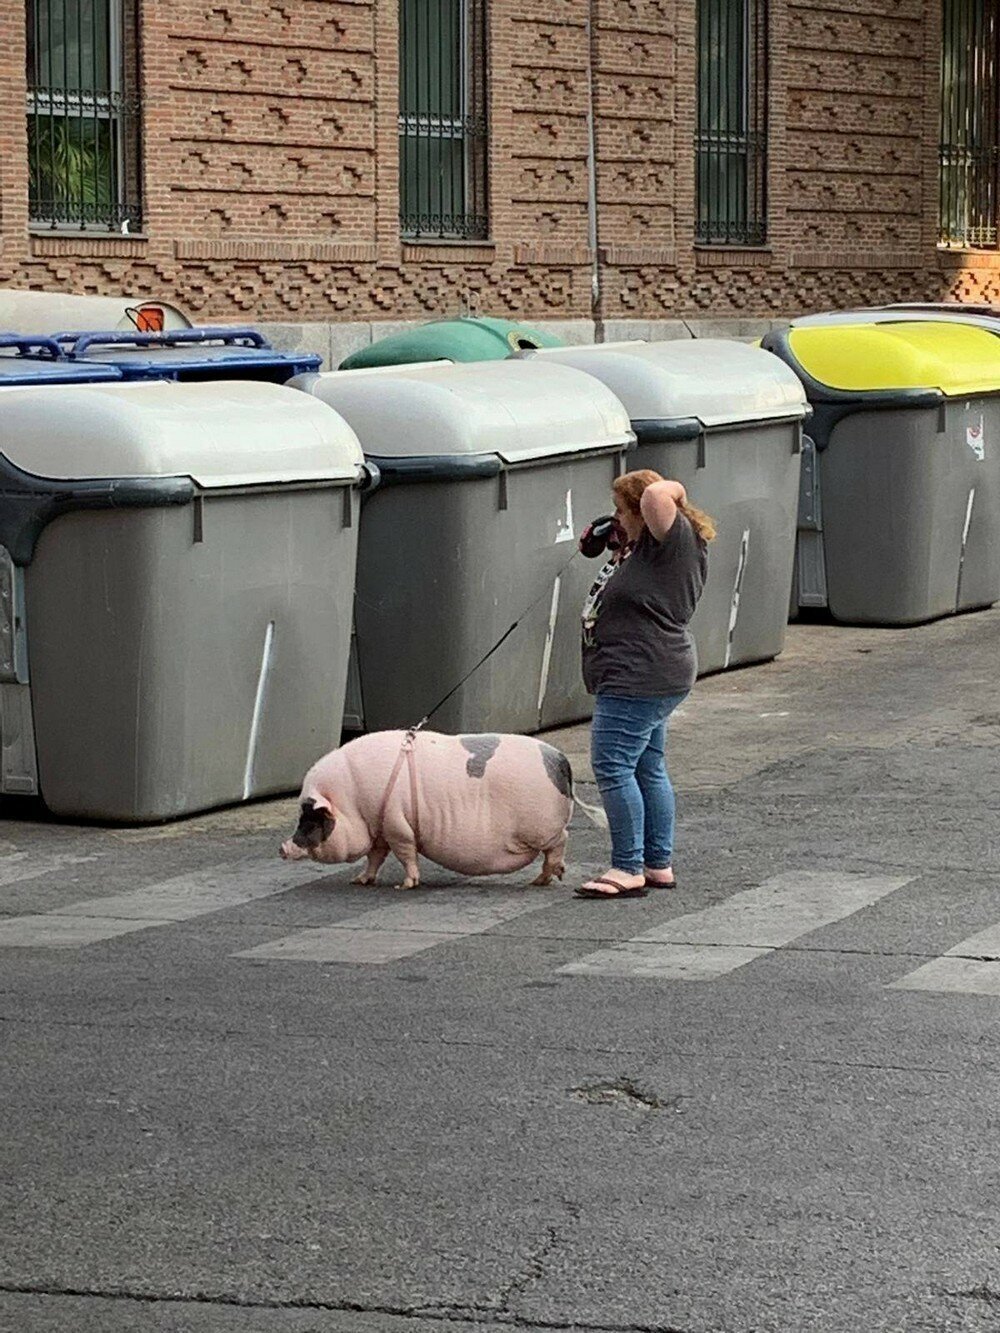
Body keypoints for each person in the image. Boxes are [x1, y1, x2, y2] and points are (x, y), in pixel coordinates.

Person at [575, 469, 715, 899]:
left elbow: (656, 493)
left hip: (640, 673)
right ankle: (657, 864)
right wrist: (612, 539)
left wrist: (667, 490)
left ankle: (627, 866)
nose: (615, 518)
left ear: (644, 511)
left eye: (621, 510)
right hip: (645, 669)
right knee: (646, 766)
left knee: (612, 765)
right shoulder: (647, 550)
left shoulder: (675, 541)